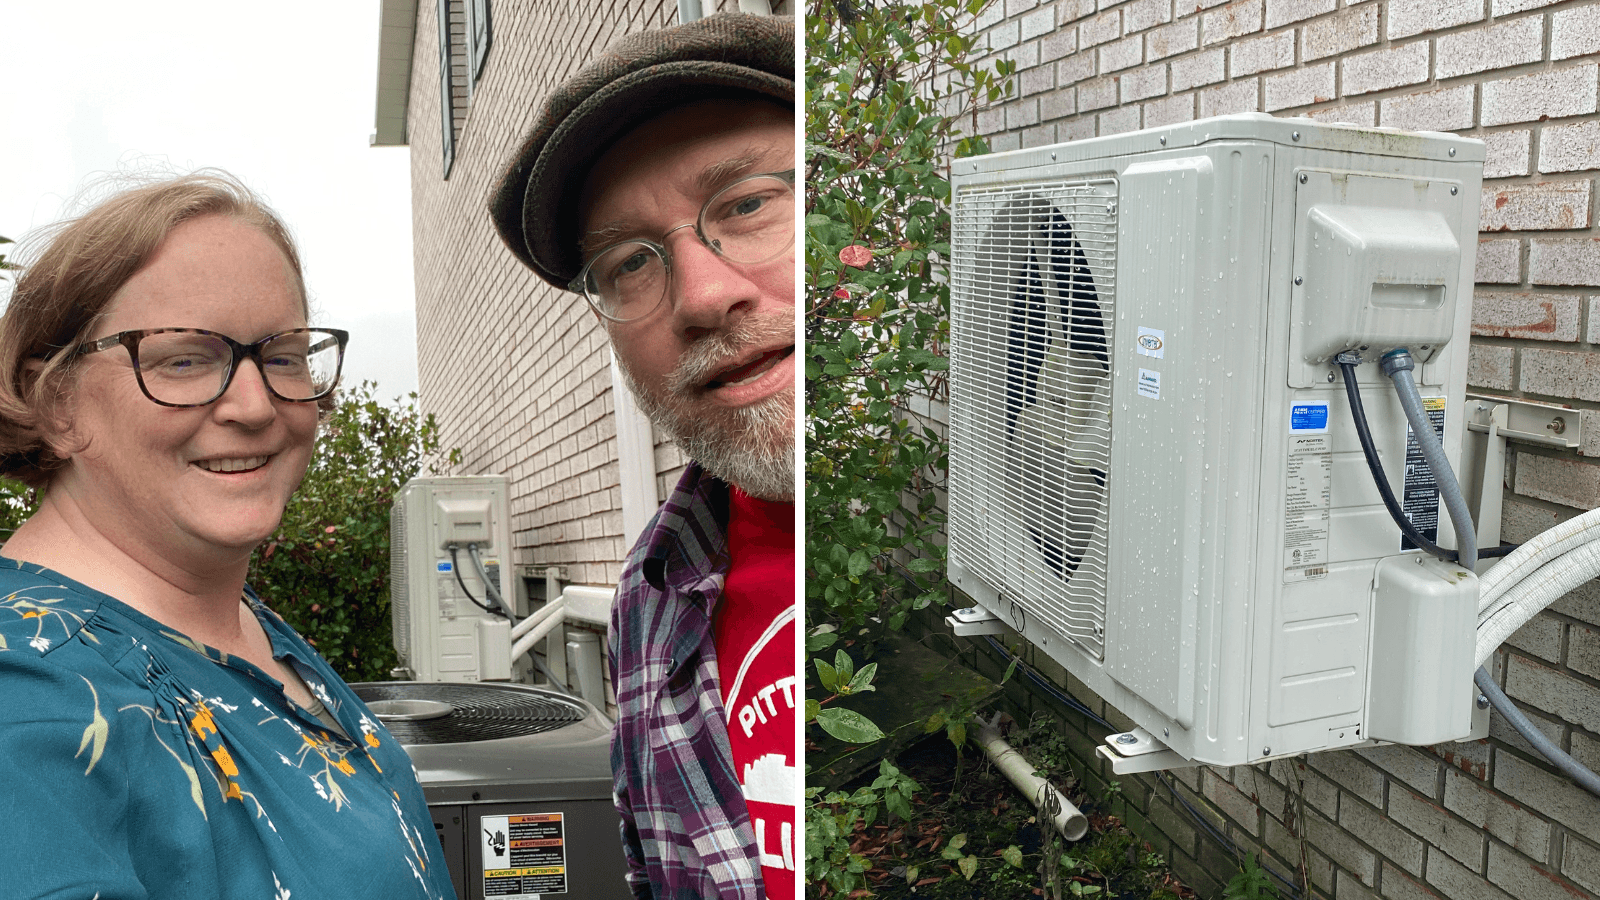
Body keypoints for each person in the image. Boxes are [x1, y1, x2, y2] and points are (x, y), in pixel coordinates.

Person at [0, 173, 455, 899]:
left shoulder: (236, 626)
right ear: (55, 399)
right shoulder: (31, 698)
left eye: (282, 356)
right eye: (183, 358)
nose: (254, 405)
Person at [488, 12, 796, 900]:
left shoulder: (995, 520)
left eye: (747, 205)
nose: (701, 296)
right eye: (631, 262)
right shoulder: (649, 606)